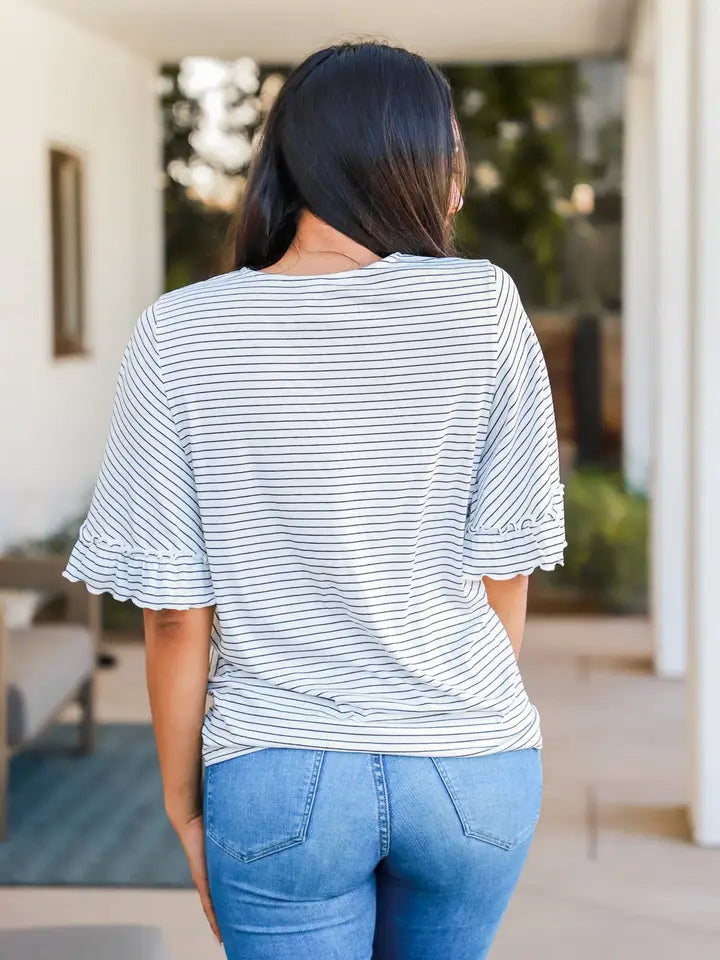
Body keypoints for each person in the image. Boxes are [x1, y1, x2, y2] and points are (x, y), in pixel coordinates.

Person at [63, 40, 566, 960]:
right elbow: (507, 570)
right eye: (449, 161)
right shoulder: (483, 306)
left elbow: (178, 615)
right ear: (404, 164)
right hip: (472, 766)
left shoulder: (183, 332)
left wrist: (184, 806)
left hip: (278, 774)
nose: (456, 192)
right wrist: (448, 713)